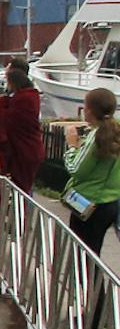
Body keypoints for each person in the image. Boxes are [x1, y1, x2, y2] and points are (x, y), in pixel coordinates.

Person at [61, 87, 120, 257]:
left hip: (87, 203)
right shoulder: (115, 132)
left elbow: (76, 169)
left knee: (82, 253)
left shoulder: (96, 137)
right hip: (110, 201)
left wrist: (72, 146)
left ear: (90, 110)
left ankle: (86, 275)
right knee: (93, 251)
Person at [0, 60, 43, 195]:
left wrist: (1, 105)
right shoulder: (31, 96)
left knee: (22, 189)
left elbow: (10, 121)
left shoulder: (22, 99)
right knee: (25, 187)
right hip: (31, 149)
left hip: (22, 152)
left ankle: (25, 207)